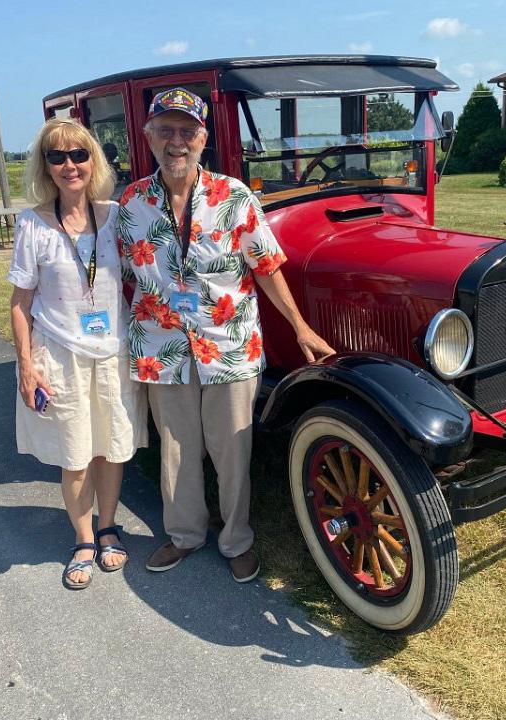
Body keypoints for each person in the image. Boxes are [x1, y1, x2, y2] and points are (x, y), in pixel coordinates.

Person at [117, 87, 334, 583]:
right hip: (161, 348)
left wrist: (300, 327)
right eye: (165, 130)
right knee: (176, 449)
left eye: (186, 131)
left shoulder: (233, 196)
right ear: (148, 137)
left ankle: (236, 539)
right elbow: (121, 271)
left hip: (230, 346)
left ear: (203, 139)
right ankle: (184, 535)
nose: (176, 141)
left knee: (232, 450)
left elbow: (267, 267)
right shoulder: (131, 203)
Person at [9, 118, 147, 590]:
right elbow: (20, 302)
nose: (70, 165)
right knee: (75, 455)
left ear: (93, 161)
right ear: (45, 166)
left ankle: (108, 528)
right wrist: (26, 367)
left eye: (78, 155)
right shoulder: (32, 224)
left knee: (111, 447)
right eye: (57, 157)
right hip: (60, 354)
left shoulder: (116, 216)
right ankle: (83, 539)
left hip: (112, 352)